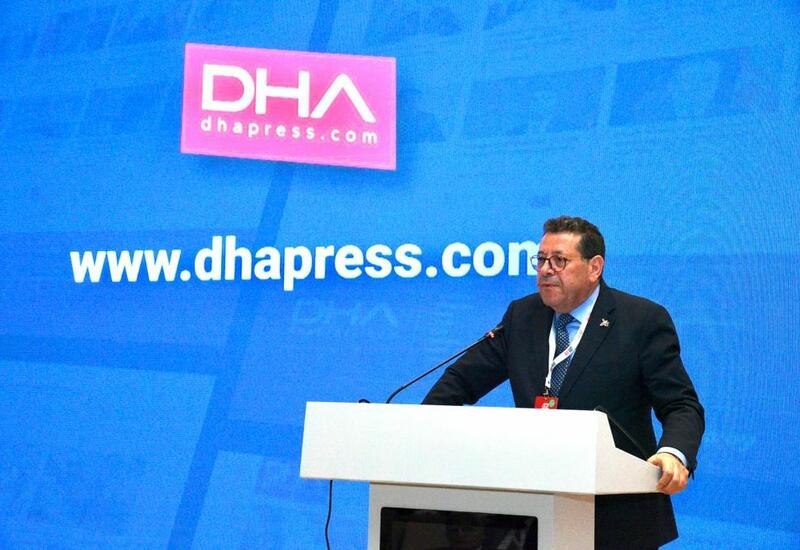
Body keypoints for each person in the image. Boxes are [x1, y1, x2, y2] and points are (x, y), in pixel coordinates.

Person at [422, 216, 704, 549]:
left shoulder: (641, 320)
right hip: (532, 512)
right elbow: (461, 380)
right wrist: (421, 429)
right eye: (541, 260)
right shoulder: (522, 315)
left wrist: (673, 454)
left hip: (618, 516)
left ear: (594, 267)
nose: (546, 270)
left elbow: (681, 404)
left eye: (559, 261)